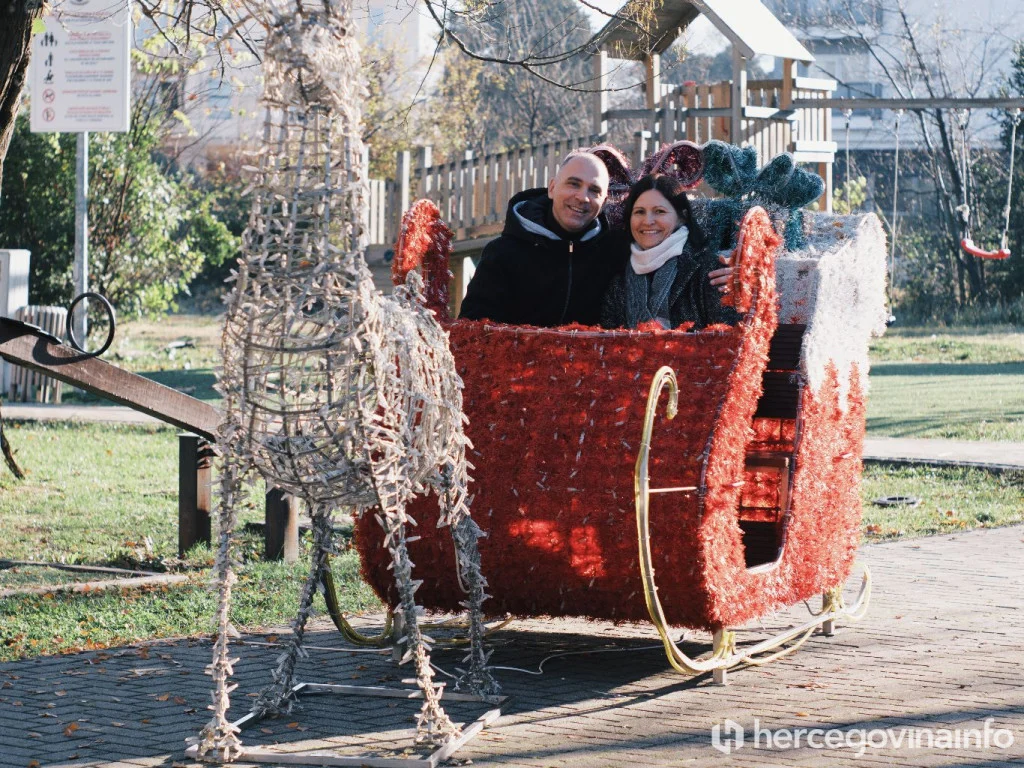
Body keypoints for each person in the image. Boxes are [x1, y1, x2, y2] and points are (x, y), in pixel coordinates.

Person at [458, 152, 630, 327]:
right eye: (573, 184)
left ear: (604, 202)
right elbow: (472, 327)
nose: (582, 197)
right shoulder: (502, 253)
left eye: (594, 190)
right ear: (552, 188)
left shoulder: (613, 253)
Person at [600, 174, 738, 330]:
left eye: (659, 211)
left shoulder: (712, 271)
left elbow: (731, 337)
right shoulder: (618, 282)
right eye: (639, 212)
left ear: (682, 216)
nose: (648, 221)